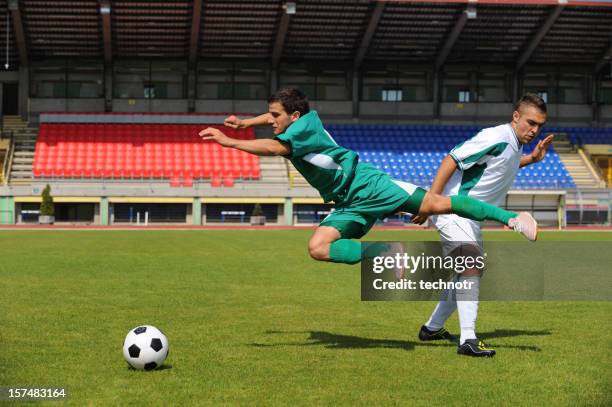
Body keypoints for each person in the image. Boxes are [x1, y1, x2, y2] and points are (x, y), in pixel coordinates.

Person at [198, 88, 537, 267]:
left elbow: (274, 148)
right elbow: (277, 117)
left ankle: (513, 219)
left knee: (438, 204)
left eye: (275, 116)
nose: (270, 119)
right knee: (318, 247)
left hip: (366, 185)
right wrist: (246, 122)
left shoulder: (299, 130)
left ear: (295, 116)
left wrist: (231, 140)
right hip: (347, 201)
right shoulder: (300, 119)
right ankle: (387, 251)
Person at [413, 93, 552, 357]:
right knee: (471, 269)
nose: (534, 130)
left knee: (465, 276)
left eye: (539, 126)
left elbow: (502, 166)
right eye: (531, 123)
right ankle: (468, 340)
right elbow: (451, 159)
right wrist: (430, 201)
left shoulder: (514, 143)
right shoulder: (496, 136)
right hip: (455, 211)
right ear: (516, 117)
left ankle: (432, 329)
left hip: (472, 219)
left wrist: (532, 159)